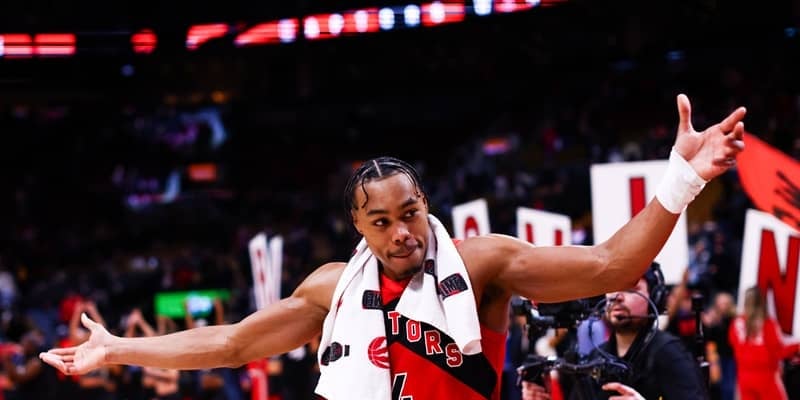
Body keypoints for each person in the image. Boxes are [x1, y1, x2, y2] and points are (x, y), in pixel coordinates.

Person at [40, 94, 746, 400]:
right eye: (381, 222)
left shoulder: (483, 263)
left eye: (410, 212)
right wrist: (119, 350)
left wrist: (682, 178)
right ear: (359, 227)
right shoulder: (329, 287)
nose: (401, 231)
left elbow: (611, 266)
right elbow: (230, 344)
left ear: (426, 204)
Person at [521, 262, 709, 400]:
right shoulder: (597, 356)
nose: (617, 296)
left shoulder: (669, 353)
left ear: (654, 297)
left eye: (631, 289)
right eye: (611, 288)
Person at [729, 286, 800, 400]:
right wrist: (797, 346)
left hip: (744, 378)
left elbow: (732, 343)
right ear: (763, 302)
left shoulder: (736, 323)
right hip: (766, 379)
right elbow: (779, 352)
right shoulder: (768, 324)